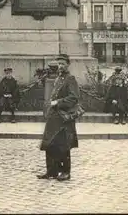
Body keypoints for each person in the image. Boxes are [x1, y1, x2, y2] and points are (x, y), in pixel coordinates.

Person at [38, 54, 79, 182]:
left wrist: (58, 102)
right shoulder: (58, 79)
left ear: (68, 65)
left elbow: (74, 97)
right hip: (54, 116)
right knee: (50, 143)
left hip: (64, 117)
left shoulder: (70, 79)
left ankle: (66, 172)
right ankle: (52, 171)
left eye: (63, 64)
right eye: (59, 64)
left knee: (63, 145)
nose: (60, 66)